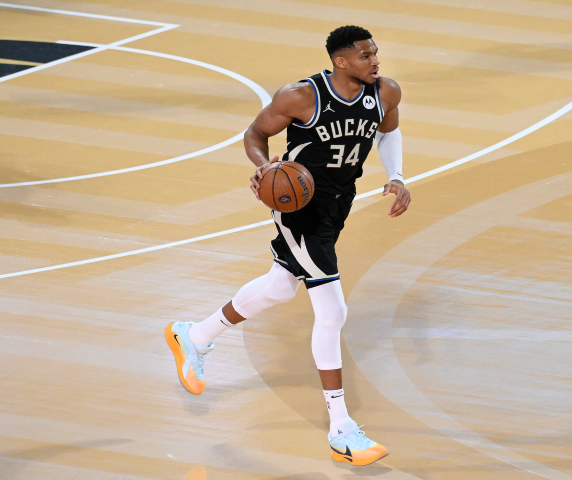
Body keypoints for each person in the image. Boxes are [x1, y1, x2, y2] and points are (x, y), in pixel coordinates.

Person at [164, 25, 410, 466]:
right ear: (341, 61)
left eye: (375, 53)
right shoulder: (300, 97)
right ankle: (341, 430)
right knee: (333, 312)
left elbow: (388, 133)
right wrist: (264, 167)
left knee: (280, 286)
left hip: (339, 202)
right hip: (300, 206)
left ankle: (194, 336)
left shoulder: (385, 92)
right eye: (366, 55)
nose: (375, 61)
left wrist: (397, 177)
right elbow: (254, 134)